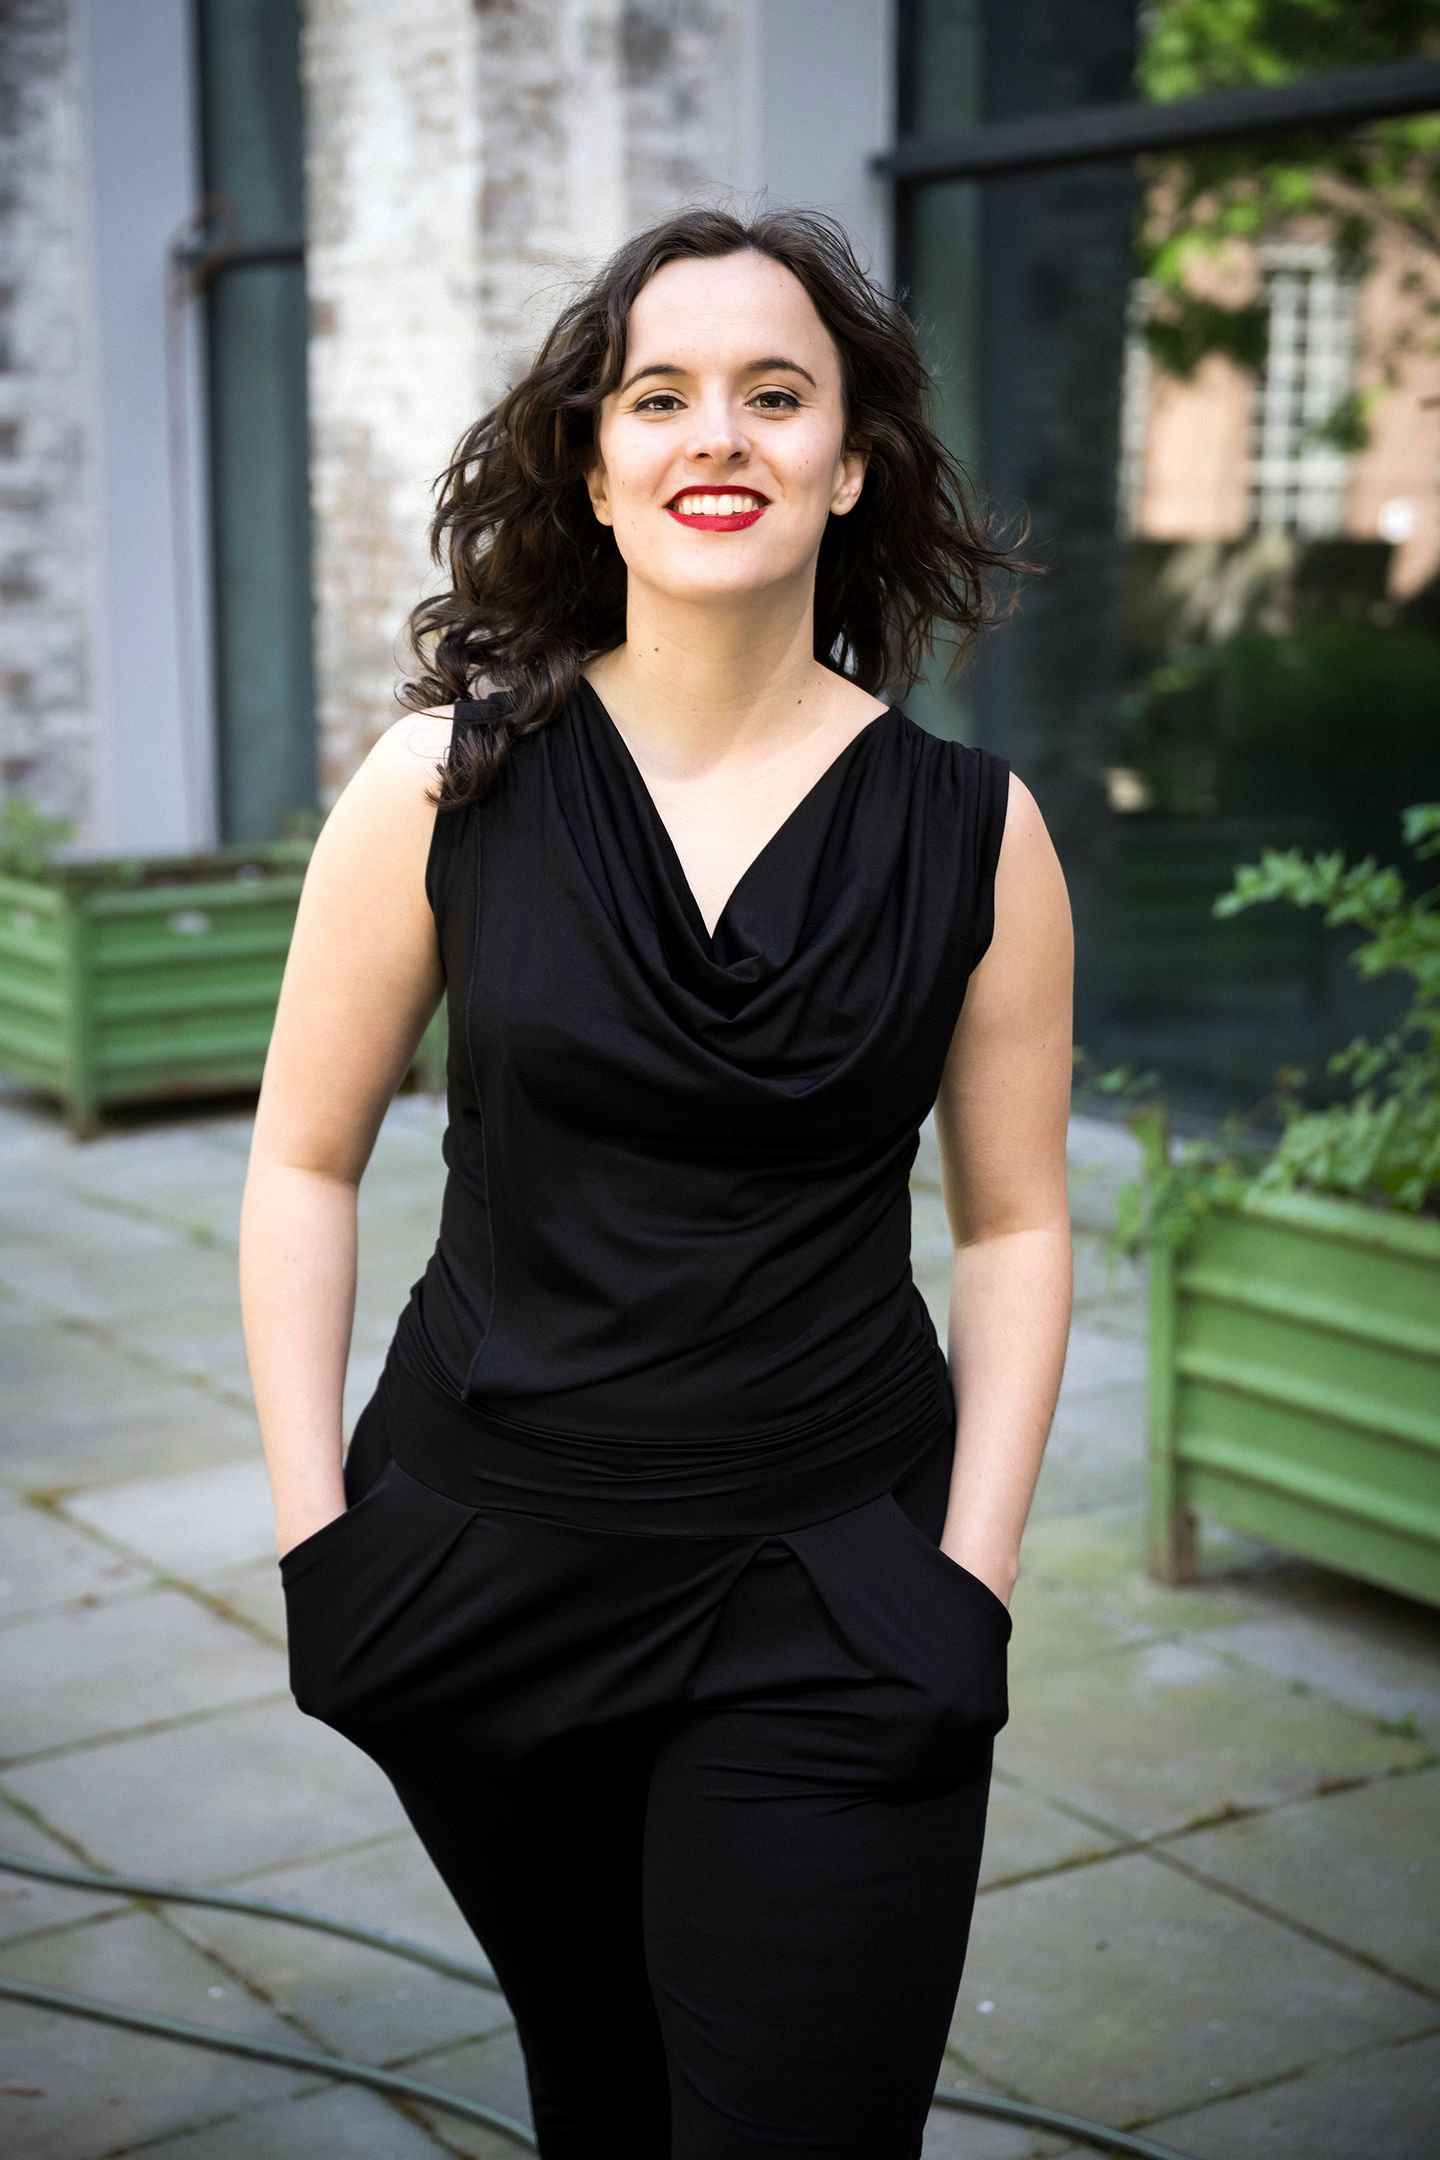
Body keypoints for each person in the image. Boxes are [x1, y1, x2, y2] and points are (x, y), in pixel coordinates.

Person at [240, 203, 1074, 2159]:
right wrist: (316, 1539)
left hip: (831, 1593)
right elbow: (300, 1158)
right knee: (603, 2101)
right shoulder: (440, 785)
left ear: (849, 463)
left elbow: (1019, 1221)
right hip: (479, 1574)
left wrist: (971, 1581)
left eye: (777, 396)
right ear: (596, 463)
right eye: (661, 395)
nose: (719, 434)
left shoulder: (978, 833)